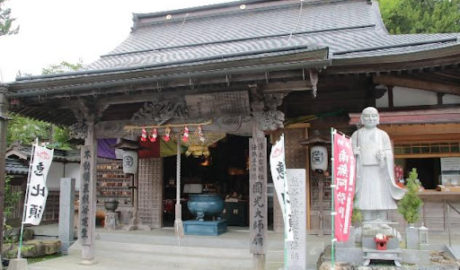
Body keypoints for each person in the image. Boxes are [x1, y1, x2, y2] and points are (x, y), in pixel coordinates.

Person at [351, 107, 406, 222]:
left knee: (380, 196)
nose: (371, 118)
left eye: (374, 116)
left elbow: (389, 152)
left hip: (380, 171)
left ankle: (382, 220)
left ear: (378, 118)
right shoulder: (356, 135)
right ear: (362, 119)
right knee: (365, 198)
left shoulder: (383, 135)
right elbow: (348, 151)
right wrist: (353, 153)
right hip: (363, 172)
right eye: (367, 116)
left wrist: (384, 155)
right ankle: (366, 221)